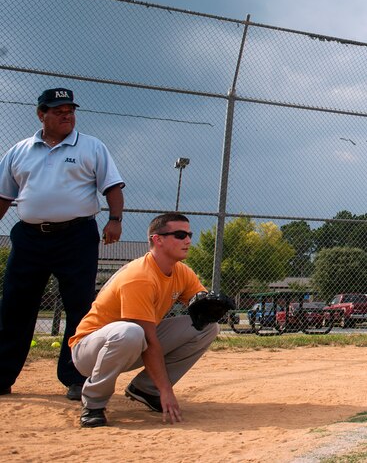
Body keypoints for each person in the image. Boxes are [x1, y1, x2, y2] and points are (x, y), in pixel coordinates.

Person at [0, 88, 124, 401]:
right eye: (58, 111)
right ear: (41, 115)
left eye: (70, 110)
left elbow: (111, 186)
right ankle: (2, 374)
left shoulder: (91, 147)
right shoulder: (20, 151)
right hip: (29, 238)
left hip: (76, 237)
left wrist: (115, 220)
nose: (67, 115)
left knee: (79, 308)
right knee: (15, 307)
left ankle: (75, 377)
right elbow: (4, 196)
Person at [70, 213, 218, 428]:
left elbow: (201, 308)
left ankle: (146, 389)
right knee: (131, 332)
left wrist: (213, 309)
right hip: (89, 350)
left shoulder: (182, 272)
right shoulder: (140, 276)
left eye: (189, 234)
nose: (188, 240)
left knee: (206, 328)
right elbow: (149, 340)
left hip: (132, 342)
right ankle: (94, 403)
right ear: (157, 239)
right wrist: (166, 389)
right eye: (180, 235)